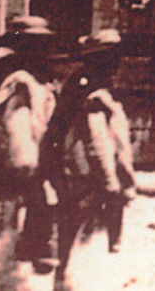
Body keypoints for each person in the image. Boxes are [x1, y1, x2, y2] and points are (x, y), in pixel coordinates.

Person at [51, 28, 137, 285]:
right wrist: (110, 180)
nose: (117, 64)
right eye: (112, 58)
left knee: (75, 231)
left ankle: (65, 278)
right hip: (89, 173)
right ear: (99, 60)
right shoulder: (93, 94)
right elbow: (97, 141)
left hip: (79, 169)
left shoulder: (88, 85)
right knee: (84, 235)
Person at [0, 15, 62, 277]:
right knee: (13, 214)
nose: (41, 53)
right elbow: (17, 123)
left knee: (38, 207)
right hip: (22, 162)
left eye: (43, 46)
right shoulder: (20, 82)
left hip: (38, 159)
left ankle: (30, 251)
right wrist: (25, 160)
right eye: (33, 46)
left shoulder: (42, 82)